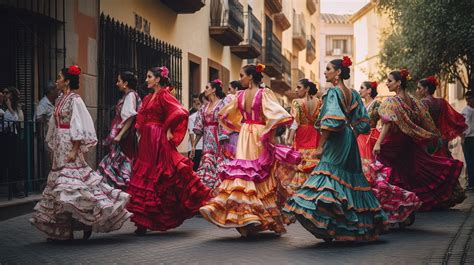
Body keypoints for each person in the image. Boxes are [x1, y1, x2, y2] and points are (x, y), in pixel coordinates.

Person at [284, 57, 387, 242]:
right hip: (349, 139)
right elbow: (363, 122)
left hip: (337, 140)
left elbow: (330, 123)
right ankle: (350, 227)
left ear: (338, 72)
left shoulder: (333, 93)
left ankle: (332, 225)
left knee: (327, 177)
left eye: (328, 69)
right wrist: (351, 136)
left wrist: (321, 146)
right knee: (350, 181)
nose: (325, 72)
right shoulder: (353, 93)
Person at [30, 65, 131, 241]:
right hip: (60, 146)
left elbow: (79, 125)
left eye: (59, 77)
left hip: (70, 145)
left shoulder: (75, 99)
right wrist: (53, 143)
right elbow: (55, 124)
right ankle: (64, 229)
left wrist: (75, 149)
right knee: (61, 190)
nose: (57, 81)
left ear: (67, 80)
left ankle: (85, 221)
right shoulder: (60, 98)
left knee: (72, 187)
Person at [200, 63, 301, 237]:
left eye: (242, 75)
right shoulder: (260, 94)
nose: (240, 79)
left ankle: (248, 218)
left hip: (246, 133)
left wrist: (241, 126)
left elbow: (224, 115)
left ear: (251, 77)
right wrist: (269, 132)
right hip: (257, 132)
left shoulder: (241, 95)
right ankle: (257, 217)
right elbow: (277, 115)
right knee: (258, 174)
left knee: (246, 172)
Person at [126, 66, 211, 235]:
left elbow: (180, 111)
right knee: (146, 176)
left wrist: (167, 128)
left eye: (149, 76)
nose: (146, 80)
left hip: (158, 138)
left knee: (163, 175)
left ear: (158, 79)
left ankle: (158, 216)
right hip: (146, 141)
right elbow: (141, 118)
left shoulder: (164, 95)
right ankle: (143, 221)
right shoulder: (149, 97)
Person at [373, 69, 463, 211]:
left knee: (387, 172)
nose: (387, 83)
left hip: (394, 143)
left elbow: (387, 123)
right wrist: (430, 135)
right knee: (410, 172)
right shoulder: (414, 101)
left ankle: (394, 204)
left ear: (398, 83)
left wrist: (378, 142)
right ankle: (405, 204)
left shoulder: (392, 101)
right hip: (409, 142)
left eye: (390, 81)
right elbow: (425, 120)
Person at [97, 71, 141, 189]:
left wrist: (119, 135)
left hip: (125, 137)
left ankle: (122, 190)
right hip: (125, 136)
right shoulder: (130, 95)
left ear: (125, 83)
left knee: (121, 162)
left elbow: (130, 117)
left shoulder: (130, 95)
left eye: (119, 81)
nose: (117, 83)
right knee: (118, 163)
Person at [282, 78, 321, 193]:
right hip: (315, 134)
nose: (295, 90)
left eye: (299, 87)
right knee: (313, 163)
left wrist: (289, 138)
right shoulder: (319, 102)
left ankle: (300, 193)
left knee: (301, 164)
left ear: (307, 88)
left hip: (301, 135)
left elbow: (295, 123)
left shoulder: (297, 102)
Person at [191, 79, 227, 190]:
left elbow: (227, 123)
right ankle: (207, 194)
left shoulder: (223, 104)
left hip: (220, 142)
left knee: (219, 167)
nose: (205, 90)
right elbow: (199, 128)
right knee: (206, 164)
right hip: (206, 144)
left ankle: (218, 195)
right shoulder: (203, 108)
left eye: (207, 87)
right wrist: (193, 146)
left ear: (214, 89)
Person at [357, 81, 381, 174]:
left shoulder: (377, 103)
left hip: (370, 136)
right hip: (359, 136)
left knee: (369, 164)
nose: (359, 90)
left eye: (362, 88)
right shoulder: (360, 104)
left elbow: (385, 120)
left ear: (369, 90)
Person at [221, 81, 244, 160]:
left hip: (231, 132)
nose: (228, 92)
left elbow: (223, 113)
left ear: (236, 89)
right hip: (244, 132)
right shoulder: (244, 98)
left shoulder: (230, 98)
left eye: (230, 89)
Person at [188, 93, 204, 171]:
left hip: (197, 147)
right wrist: (193, 147)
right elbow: (191, 133)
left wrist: (192, 147)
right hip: (198, 147)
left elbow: (191, 133)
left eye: (198, 103)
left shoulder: (193, 116)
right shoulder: (192, 116)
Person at [461, 90, 474, 190]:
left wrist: (462, 138)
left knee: (469, 161)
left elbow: (463, 126)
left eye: (468, 99)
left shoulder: (466, 110)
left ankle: (471, 184)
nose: (467, 101)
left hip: (468, 139)